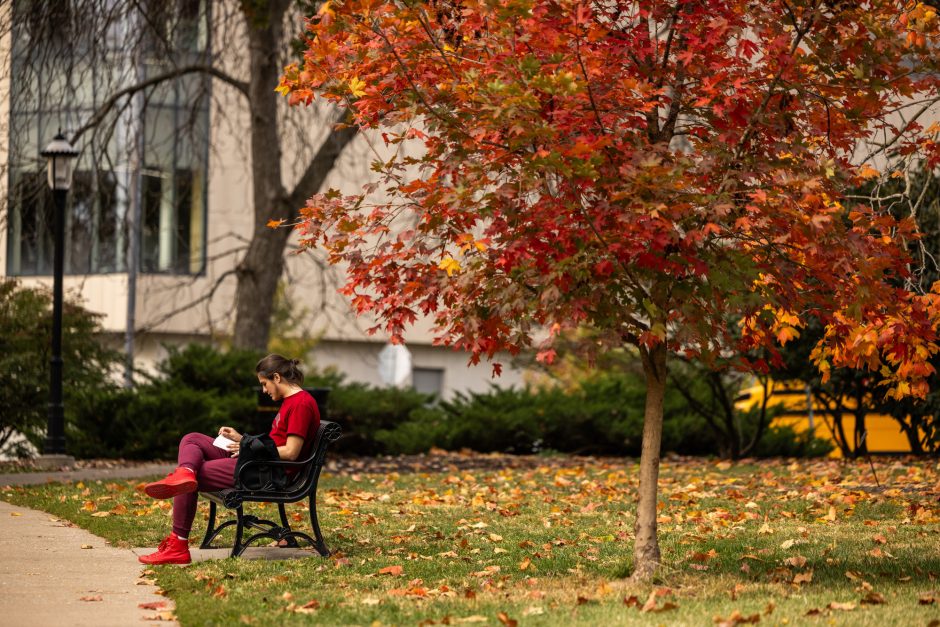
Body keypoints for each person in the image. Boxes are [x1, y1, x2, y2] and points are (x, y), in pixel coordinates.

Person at [138, 354, 321, 565]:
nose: (263, 390)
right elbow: (275, 443)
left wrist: (247, 447)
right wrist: (243, 440)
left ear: (277, 378)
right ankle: (185, 472)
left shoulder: (301, 404)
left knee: (193, 478)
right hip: (260, 462)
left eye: (264, 384)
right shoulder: (293, 401)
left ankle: (177, 546)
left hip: (269, 472)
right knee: (192, 439)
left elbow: (291, 452)